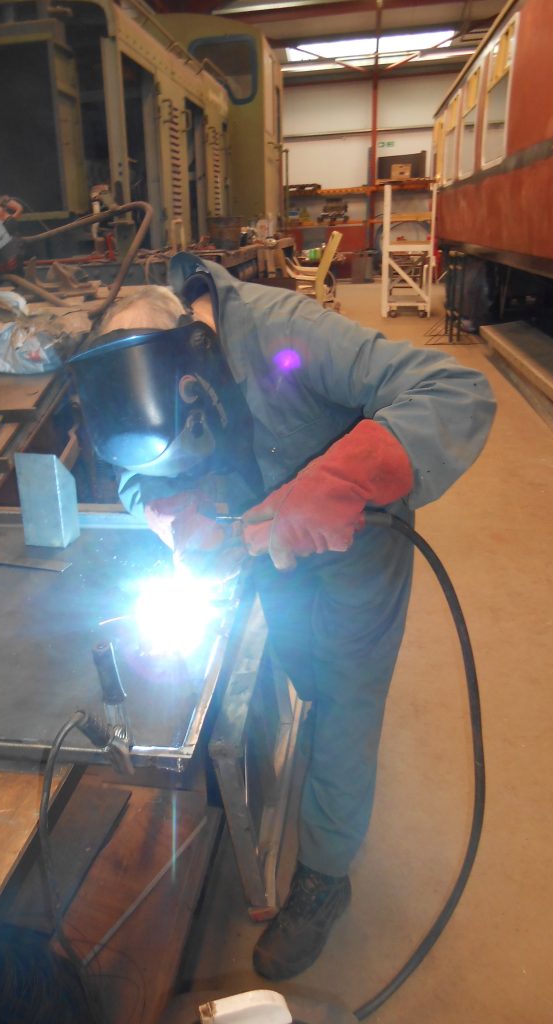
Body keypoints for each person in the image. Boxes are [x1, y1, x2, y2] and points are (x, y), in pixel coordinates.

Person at [69, 252, 496, 980]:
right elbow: (132, 475)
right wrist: (171, 514)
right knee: (305, 669)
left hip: (359, 540)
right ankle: (321, 736)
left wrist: (338, 481)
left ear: (199, 378)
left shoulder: (281, 332)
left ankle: (325, 880)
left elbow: (457, 391)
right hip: (269, 543)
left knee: (346, 702)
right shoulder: (131, 384)